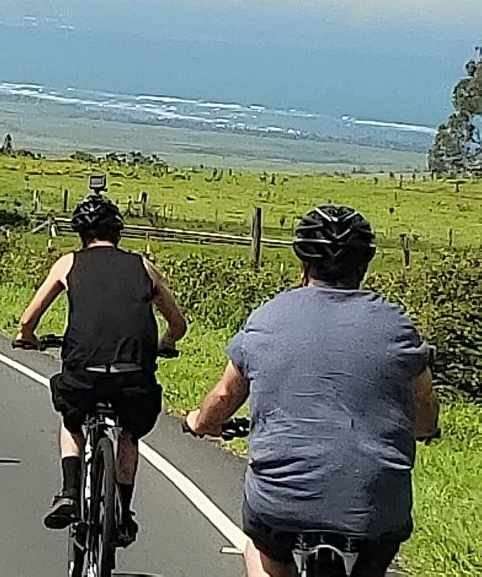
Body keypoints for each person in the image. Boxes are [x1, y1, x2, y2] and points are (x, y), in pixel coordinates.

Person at [185, 205, 440, 577]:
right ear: (364, 265)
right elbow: (425, 400)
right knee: (375, 555)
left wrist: (201, 422)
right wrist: (424, 430)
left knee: (261, 547)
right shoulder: (396, 324)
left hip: (279, 505)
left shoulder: (268, 317)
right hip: (375, 507)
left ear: (302, 264)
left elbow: (225, 396)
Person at [15, 192, 188, 546]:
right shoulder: (143, 266)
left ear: (81, 234)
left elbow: (28, 319)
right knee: (129, 434)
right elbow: (178, 323)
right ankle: (122, 513)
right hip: (134, 376)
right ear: (118, 232)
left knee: (71, 421)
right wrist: (165, 342)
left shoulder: (68, 264)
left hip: (84, 373)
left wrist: (28, 337)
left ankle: (69, 492)